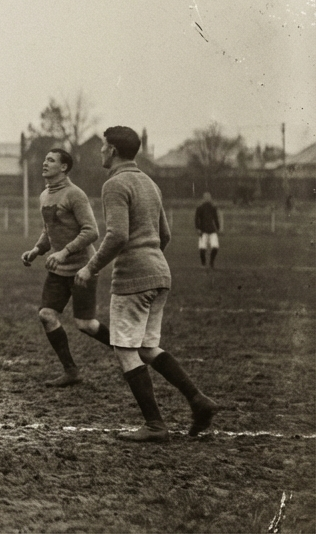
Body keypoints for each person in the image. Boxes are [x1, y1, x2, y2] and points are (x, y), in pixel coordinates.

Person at [75, 126, 219, 442]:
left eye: (102, 146)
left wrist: (90, 267)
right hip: (160, 274)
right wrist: (150, 261)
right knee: (148, 348)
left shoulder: (114, 184)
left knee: (125, 350)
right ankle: (198, 400)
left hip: (134, 279)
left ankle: (155, 425)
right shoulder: (150, 184)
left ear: (112, 150)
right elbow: (164, 235)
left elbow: (117, 235)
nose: (100, 151)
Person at [20, 148, 110, 387]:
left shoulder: (75, 195)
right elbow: (48, 230)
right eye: (45, 158)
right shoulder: (44, 196)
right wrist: (37, 250)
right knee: (46, 315)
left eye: (51, 160)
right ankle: (71, 371)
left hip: (83, 269)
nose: (44, 163)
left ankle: (127, 351)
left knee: (86, 325)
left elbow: (92, 231)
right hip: (58, 271)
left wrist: (64, 252)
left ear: (64, 167)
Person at [194, 192, 221, 268]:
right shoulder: (200, 208)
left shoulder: (213, 208)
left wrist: (218, 228)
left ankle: (211, 262)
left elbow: (216, 219)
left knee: (215, 247)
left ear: (210, 198)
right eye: (206, 197)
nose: (207, 199)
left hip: (212, 230)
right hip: (203, 231)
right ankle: (203, 263)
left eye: (208, 197)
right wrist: (198, 228)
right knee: (202, 249)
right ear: (203, 198)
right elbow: (196, 219)